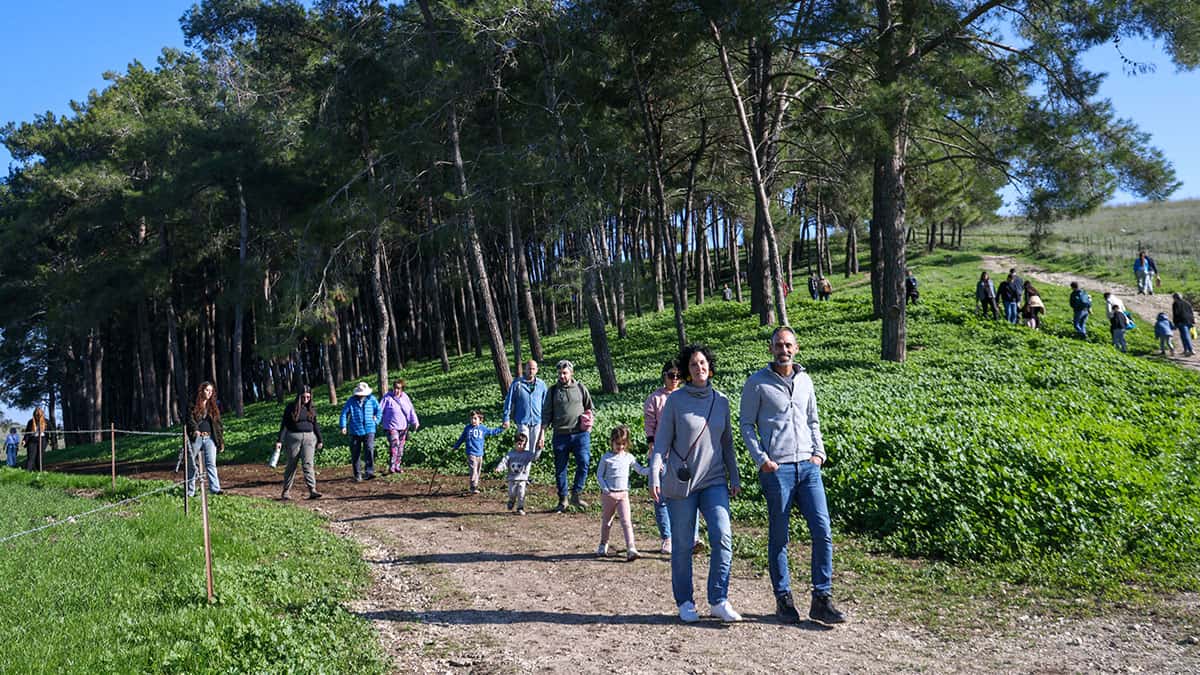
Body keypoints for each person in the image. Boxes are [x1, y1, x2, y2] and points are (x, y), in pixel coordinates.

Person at [739, 326, 846, 626]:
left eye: (788, 345)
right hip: (778, 469)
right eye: (778, 345)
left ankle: (821, 599)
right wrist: (762, 459)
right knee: (780, 535)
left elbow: (813, 419)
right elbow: (746, 424)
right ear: (771, 348)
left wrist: (819, 454)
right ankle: (783, 599)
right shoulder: (757, 383)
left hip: (808, 467)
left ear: (796, 348)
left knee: (822, 530)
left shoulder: (806, 380)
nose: (783, 350)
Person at [650, 343, 742, 623]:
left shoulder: (721, 400)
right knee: (682, 544)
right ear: (687, 371)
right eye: (693, 365)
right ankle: (686, 601)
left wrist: (734, 475)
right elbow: (661, 442)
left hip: (714, 480)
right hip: (682, 483)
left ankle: (718, 599)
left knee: (722, 536)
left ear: (709, 367)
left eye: (702, 363)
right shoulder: (676, 401)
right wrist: (655, 472)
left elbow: (727, 444)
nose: (699, 368)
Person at [644, 361, 700, 555]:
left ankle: (692, 537)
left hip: (685, 455)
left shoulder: (687, 396)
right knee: (661, 497)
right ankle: (667, 537)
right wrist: (653, 448)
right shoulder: (655, 398)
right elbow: (650, 425)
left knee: (690, 495)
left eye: (678, 375)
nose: (674, 379)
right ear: (664, 375)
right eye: (671, 375)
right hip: (663, 455)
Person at [539, 359, 594, 512]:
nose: (562, 376)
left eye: (565, 373)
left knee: (584, 462)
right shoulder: (553, 391)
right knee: (560, 469)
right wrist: (542, 434)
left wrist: (589, 425)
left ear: (571, 373)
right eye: (560, 373)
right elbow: (546, 414)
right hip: (560, 436)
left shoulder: (581, 388)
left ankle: (576, 494)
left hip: (580, 435)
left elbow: (590, 408)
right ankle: (563, 499)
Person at [596, 424, 650, 561]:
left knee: (627, 522)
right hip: (609, 495)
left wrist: (653, 469)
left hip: (623, 495)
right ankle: (603, 544)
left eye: (623, 444)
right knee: (607, 521)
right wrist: (606, 489)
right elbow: (599, 476)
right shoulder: (606, 458)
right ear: (611, 442)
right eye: (617, 443)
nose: (620, 447)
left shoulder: (629, 457)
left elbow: (641, 470)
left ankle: (631, 548)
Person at [275, 385, 324, 500]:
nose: (306, 398)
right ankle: (286, 491)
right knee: (292, 464)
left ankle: (312, 490)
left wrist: (320, 439)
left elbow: (315, 424)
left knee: (308, 464)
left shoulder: (311, 408)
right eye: (304, 396)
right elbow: (284, 425)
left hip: (309, 438)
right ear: (299, 396)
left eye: (308, 396)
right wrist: (279, 440)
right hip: (293, 438)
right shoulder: (290, 407)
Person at [502, 359, 547, 458]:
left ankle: (532, 465)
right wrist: (506, 418)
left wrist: (546, 421)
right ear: (525, 369)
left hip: (537, 420)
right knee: (523, 446)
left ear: (537, 370)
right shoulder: (517, 384)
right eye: (529, 369)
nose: (531, 371)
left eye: (533, 369)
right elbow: (508, 401)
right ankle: (523, 469)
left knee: (537, 447)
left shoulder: (542, 385)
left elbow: (545, 404)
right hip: (522, 421)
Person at [185, 382, 223, 497]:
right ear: (202, 391)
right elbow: (189, 419)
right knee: (192, 464)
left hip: (210, 438)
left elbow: (218, 425)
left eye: (211, 391)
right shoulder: (193, 405)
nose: (209, 393)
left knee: (211, 463)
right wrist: (195, 430)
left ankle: (215, 489)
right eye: (207, 390)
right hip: (197, 437)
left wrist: (220, 441)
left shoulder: (213, 407)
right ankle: (190, 491)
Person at [452, 410, 504, 494]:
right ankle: (473, 487)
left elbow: (492, 432)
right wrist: (455, 447)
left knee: (478, 470)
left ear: (480, 420)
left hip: (479, 453)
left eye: (475, 419)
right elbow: (461, 438)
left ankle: (475, 485)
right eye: (472, 419)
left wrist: (502, 428)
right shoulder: (467, 428)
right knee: (473, 469)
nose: (473, 421)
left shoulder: (483, 428)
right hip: (470, 453)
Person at [340, 381, 382, 482]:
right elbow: (344, 413)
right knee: (355, 452)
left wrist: (376, 420)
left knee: (369, 449)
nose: (361, 396)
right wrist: (343, 426)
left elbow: (379, 410)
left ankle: (369, 472)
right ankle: (357, 474)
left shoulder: (372, 399)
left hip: (369, 429)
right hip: (355, 430)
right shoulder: (351, 400)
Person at [380, 379, 420, 474]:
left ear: (402, 389)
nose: (396, 390)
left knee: (401, 448)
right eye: (395, 388)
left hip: (403, 426)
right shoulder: (387, 398)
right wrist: (375, 419)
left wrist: (415, 422)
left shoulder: (405, 397)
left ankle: (397, 466)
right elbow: (379, 410)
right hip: (391, 426)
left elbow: (411, 410)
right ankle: (392, 466)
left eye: (398, 388)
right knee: (395, 444)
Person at [494, 431, 536, 515]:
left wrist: (539, 448)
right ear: (515, 443)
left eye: (524, 445)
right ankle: (511, 501)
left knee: (521, 494)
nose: (521, 446)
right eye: (519, 444)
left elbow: (535, 457)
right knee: (512, 493)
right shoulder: (511, 454)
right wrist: (500, 468)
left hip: (522, 478)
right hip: (512, 479)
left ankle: (520, 508)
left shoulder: (527, 454)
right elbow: (504, 461)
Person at [22, 407, 48, 471]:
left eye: (39, 415)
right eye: (36, 415)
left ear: (42, 415)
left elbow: (51, 431)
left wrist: (51, 440)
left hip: (42, 440)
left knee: (39, 457)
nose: (38, 417)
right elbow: (27, 433)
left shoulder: (46, 421)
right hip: (32, 440)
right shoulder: (30, 422)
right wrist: (24, 440)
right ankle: (27, 471)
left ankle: (40, 471)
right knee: (31, 456)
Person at [1172, 293, 1195, 357]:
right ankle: (1185, 350)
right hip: (1189, 320)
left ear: (1175, 298)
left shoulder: (1175, 303)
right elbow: (1191, 312)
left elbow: (1176, 314)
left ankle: (1191, 350)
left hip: (1181, 321)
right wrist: (1193, 321)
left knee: (1185, 336)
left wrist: (1175, 323)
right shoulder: (1187, 303)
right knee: (1184, 336)